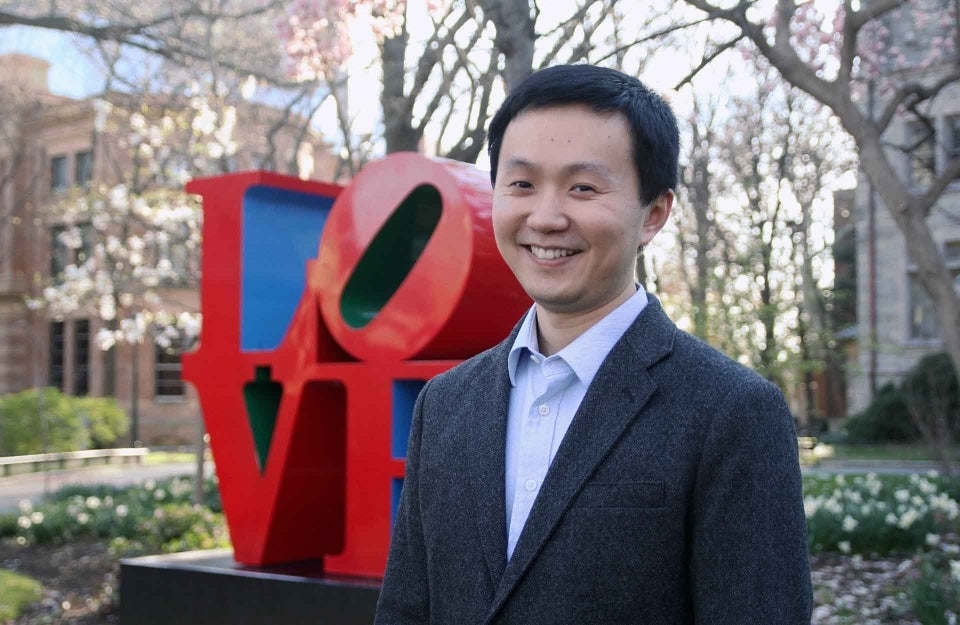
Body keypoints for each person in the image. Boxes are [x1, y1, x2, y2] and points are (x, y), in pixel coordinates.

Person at [375, 64, 812, 624]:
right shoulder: (445, 405)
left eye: (583, 187)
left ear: (654, 213)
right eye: (522, 185)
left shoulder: (732, 412)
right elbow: (407, 611)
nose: (547, 216)